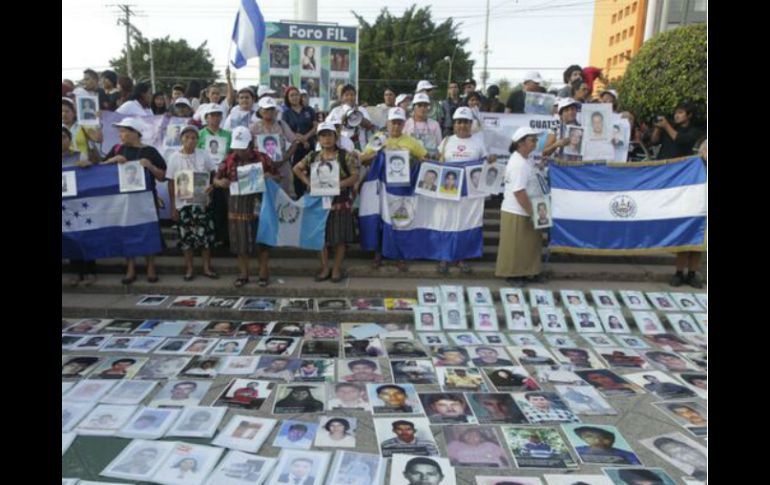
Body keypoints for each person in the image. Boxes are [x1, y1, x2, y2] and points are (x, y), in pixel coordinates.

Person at [360, 107, 428, 271]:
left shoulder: (411, 141)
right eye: (393, 123)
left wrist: (415, 160)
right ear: (387, 123)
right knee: (380, 221)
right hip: (382, 188)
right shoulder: (379, 138)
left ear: (404, 124)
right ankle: (378, 253)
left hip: (402, 190)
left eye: (399, 123)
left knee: (400, 222)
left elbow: (424, 158)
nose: (396, 126)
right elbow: (363, 158)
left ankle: (399, 255)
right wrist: (378, 153)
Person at [102, 117, 166, 284]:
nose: (120, 135)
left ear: (135, 133)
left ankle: (150, 266)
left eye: (124, 131)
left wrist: (150, 166)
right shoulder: (117, 149)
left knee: (149, 230)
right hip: (124, 200)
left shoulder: (150, 151)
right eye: (120, 131)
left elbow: (162, 176)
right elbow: (100, 171)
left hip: (146, 198)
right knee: (127, 231)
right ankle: (130, 268)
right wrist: (111, 161)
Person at [213, 126, 278, 287]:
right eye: (237, 148)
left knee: (262, 240)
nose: (239, 151)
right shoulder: (228, 160)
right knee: (240, 242)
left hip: (259, 205)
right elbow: (216, 179)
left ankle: (263, 272)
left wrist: (270, 176)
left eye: (242, 148)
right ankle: (243, 274)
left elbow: (278, 175)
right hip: (237, 206)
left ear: (250, 144)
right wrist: (221, 182)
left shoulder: (263, 158)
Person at [293, 122, 358, 283]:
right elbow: (296, 168)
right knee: (320, 236)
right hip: (318, 202)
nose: (327, 139)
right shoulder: (313, 156)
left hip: (339, 200)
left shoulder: (345, 155)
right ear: (318, 138)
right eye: (323, 135)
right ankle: (325, 267)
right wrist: (308, 182)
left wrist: (338, 185)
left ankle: (336, 268)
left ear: (335, 137)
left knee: (339, 237)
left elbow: (354, 176)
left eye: (330, 135)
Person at [166, 125, 220, 281]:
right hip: (183, 204)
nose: (190, 140)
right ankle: (189, 269)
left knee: (206, 238)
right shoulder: (174, 158)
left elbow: (214, 173)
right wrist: (173, 207)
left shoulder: (204, 155)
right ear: (181, 138)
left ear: (198, 140)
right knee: (186, 238)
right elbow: (170, 183)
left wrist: (212, 185)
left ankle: (207, 268)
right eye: (187, 137)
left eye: (194, 137)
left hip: (202, 202)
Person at [496, 127, 544, 284]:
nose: (536, 143)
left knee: (529, 244)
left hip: (527, 207)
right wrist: (533, 213)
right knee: (516, 245)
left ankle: (529, 271)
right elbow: (519, 192)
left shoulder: (526, 160)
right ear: (520, 143)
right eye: (532, 140)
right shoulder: (519, 164)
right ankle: (514, 274)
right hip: (517, 210)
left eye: (536, 140)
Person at [282, 86, 318, 197]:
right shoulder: (286, 114)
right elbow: (287, 131)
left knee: (313, 171)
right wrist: (302, 141)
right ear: (287, 98)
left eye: (296, 94)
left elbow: (316, 127)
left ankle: (313, 196)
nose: (294, 97)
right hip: (295, 149)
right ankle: (300, 198)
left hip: (310, 146)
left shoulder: (309, 110)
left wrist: (306, 138)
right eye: (291, 95)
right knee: (297, 173)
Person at [572, 426, 642, 465]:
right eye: (589, 436)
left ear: (612, 440)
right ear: (582, 438)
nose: (598, 440)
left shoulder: (628, 455)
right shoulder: (577, 450)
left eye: (604, 437)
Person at [404, 92, 442, 158]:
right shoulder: (406, 124)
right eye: (419, 105)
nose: (423, 108)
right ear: (414, 107)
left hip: (430, 161)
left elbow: (439, 146)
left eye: (425, 105)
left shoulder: (435, 124)